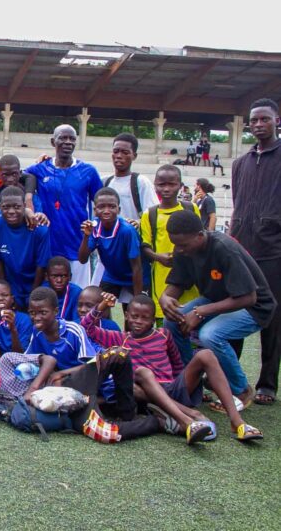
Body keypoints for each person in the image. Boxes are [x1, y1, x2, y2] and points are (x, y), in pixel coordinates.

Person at [83, 292, 263, 441]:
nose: (138, 321)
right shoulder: (119, 338)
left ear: (153, 319)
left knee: (206, 354)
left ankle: (237, 421)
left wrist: (187, 385)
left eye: (145, 318)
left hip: (171, 388)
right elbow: (86, 327)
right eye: (134, 317)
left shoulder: (163, 335)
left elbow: (177, 364)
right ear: (127, 316)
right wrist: (102, 306)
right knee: (141, 374)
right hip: (145, 393)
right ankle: (187, 421)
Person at [0, 345, 165, 443]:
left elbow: (49, 360)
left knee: (117, 354)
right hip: (66, 414)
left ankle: (127, 411)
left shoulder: (7, 360)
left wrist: (33, 389)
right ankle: (160, 422)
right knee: (106, 434)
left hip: (69, 387)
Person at [161, 210, 277, 407]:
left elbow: (249, 297)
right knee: (171, 321)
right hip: (217, 300)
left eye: (183, 245)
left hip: (254, 306)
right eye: (176, 245)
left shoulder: (223, 248)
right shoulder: (184, 249)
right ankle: (190, 383)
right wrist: (165, 298)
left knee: (210, 335)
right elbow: (177, 284)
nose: (179, 250)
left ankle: (241, 390)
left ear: (200, 235)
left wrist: (201, 311)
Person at [231, 98, 281, 406]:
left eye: (265, 119)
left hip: (274, 250)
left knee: (272, 317)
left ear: (277, 121)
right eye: (254, 120)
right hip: (242, 250)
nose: (259, 124)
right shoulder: (240, 163)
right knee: (234, 310)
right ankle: (231, 377)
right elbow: (238, 202)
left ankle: (267, 383)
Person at [25, 125, 103, 287]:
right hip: (48, 247)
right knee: (48, 296)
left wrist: (94, 228)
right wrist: (29, 203)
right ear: (53, 142)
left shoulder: (88, 171)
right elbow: (17, 176)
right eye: (63, 138)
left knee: (79, 295)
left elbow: (102, 204)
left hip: (77, 246)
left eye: (72, 139)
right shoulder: (40, 168)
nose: (68, 142)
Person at [140, 165, 200, 322]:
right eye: (162, 184)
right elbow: (145, 246)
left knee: (191, 318)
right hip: (163, 276)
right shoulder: (150, 214)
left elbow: (201, 236)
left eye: (171, 184)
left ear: (180, 186)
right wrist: (158, 256)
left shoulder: (191, 208)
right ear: (155, 185)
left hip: (190, 275)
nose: (166, 189)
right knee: (164, 318)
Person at [0, 187, 51, 310]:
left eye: (17, 207)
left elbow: (41, 265)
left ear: (24, 206)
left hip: (36, 281)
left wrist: (33, 294)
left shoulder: (39, 229)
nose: (11, 211)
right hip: (11, 282)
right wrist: (7, 293)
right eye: (6, 207)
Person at [78, 188, 143, 302]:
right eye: (101, 207)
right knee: (98, 305)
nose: (106, 211)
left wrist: (137, 299)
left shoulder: (127, 230)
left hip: (132, 276)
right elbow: (82, 259)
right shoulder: (94, 226)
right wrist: (86, 236)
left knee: (133, 309)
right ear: (95, 210)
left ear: (119, 210)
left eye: (112, 207)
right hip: (112, 276)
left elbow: (136, 267)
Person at [102, 133, 158, 223]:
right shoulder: (105, 182)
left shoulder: (141, 182)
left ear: (134, 156)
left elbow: (153, 214)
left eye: (125, 152)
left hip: (132, 232)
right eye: (115, 151)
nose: (119, 156)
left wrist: (138, 223)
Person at [42, 256, 82, 322]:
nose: (59, 280)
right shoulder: (41, 293)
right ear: (46, 277)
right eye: (54, 276)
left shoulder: (77, 293)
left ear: (70, 277)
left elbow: (79, 320)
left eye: (63, 276)